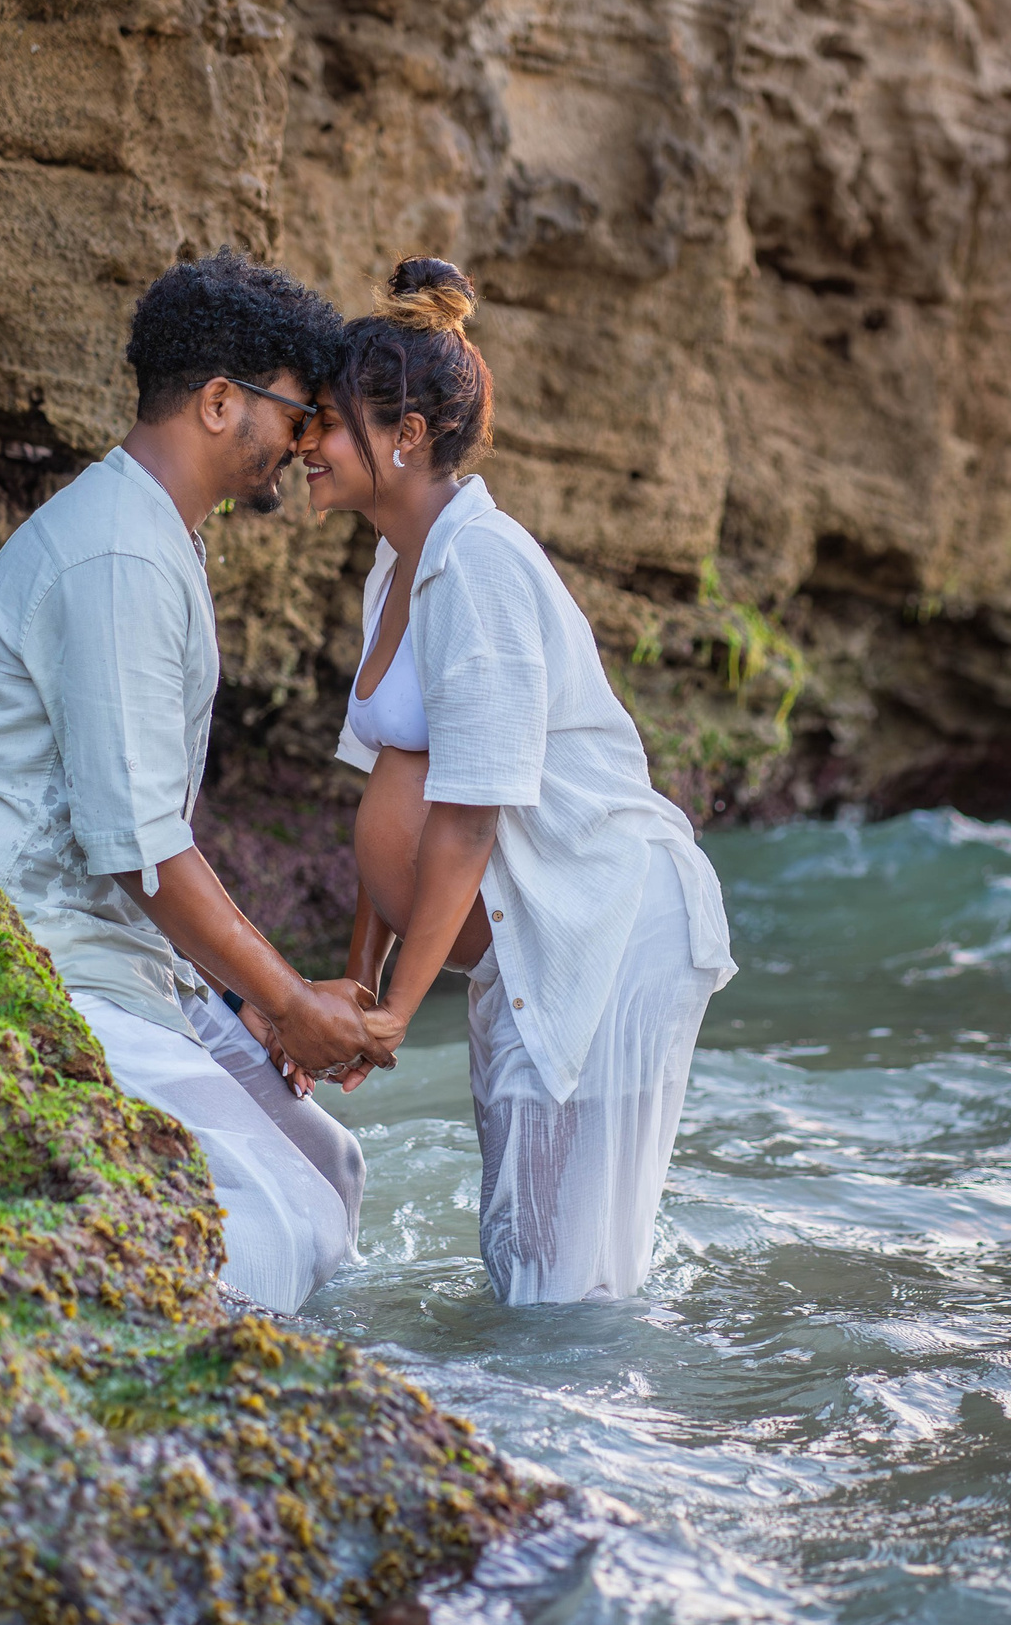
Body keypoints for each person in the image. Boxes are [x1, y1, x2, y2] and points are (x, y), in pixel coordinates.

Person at [0, 250, 401, 1314]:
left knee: (330, 1173)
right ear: (222, 404)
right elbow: (138, 845)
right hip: (33, 959)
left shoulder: (151, 538)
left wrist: (246, 1000)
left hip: (120, 962)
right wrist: (287, 1000)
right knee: (269, 1229)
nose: (304, 444)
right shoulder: (120, 555)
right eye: (298, 414)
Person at [293, 257, 737, 1304]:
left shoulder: (480, 562)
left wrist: (396, 1011)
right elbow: (388, 787)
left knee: (561, 1279)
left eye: (324, 421)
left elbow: (467, 817)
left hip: (608, 920)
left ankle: (600, 1452)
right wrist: (363, 975)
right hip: (531, 930)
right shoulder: (397, 565)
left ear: (403, 435)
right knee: (523, 1252)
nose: (303, 444)